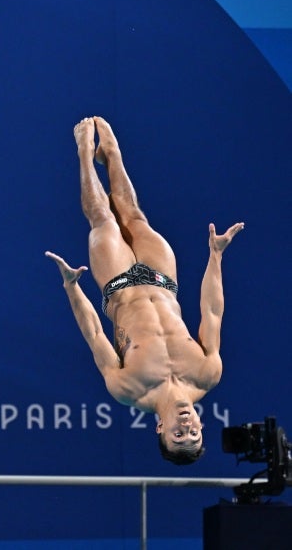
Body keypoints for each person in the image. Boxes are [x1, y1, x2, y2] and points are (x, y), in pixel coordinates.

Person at [45, 116, 243, 465]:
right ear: (200, 423)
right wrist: (216, 256)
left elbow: (94, 335)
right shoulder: (208, 373)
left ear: (159, 429)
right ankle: (113, 155)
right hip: (162, 281)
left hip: (119, 287)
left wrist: (71, 287)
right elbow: (213, 312)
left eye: (177, 435)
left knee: (104, 220)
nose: (186, 427)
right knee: (135, 216)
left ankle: (83, 154)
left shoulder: (129, 389)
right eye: (194, 432)